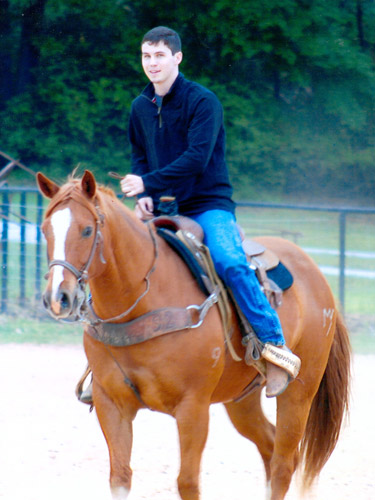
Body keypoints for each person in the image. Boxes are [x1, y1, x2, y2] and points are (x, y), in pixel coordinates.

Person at [117, 26, 301, 398]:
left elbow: (196, 159)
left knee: (230, 262)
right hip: (164, 206)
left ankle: (275, 348)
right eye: (146, 56)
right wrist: (144, 195)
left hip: (208, 205)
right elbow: (139, 155)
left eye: (159, 56)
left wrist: (147, 182)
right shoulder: (139, 107)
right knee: (116, 255)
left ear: (177, 58)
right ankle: (104, 359)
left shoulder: (203, 102)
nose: (152, 63)